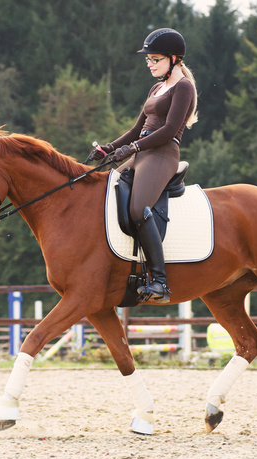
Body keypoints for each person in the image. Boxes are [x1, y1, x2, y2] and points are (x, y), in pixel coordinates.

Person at [90, 28, 198, 304]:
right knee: (103, 192)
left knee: (139, 208)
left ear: (174, 59)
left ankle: (160, 280)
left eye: (155, 59)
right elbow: (137, 128)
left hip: (162, 153)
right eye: (148, 60)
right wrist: (109, 147)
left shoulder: (183, 86)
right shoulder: (156, 87)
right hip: (142, 152)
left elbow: (170, 129)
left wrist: (135, 147)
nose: (150, 64)